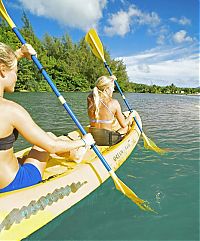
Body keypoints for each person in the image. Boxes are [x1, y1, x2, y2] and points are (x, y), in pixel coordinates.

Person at [0, 42, 95, 193]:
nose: (17, 77)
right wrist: (83, 141)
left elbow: (5, 65)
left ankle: (73, 153)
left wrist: (19, 53)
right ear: (3, 69)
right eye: (16, 72)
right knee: (47, 138)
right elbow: (52, 146)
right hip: (13, 184)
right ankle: (76, 152)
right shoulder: (11, 110)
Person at [87, 75, 134, 146]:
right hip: (107, 140)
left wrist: (110, 79)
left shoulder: (90, 99)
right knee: (126, 128)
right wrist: (131, 115)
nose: (113, 90)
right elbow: (123, 125)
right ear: (106, 89)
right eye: (112, 88)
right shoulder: (114, 103)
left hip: (92, 138)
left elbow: (94, 91)